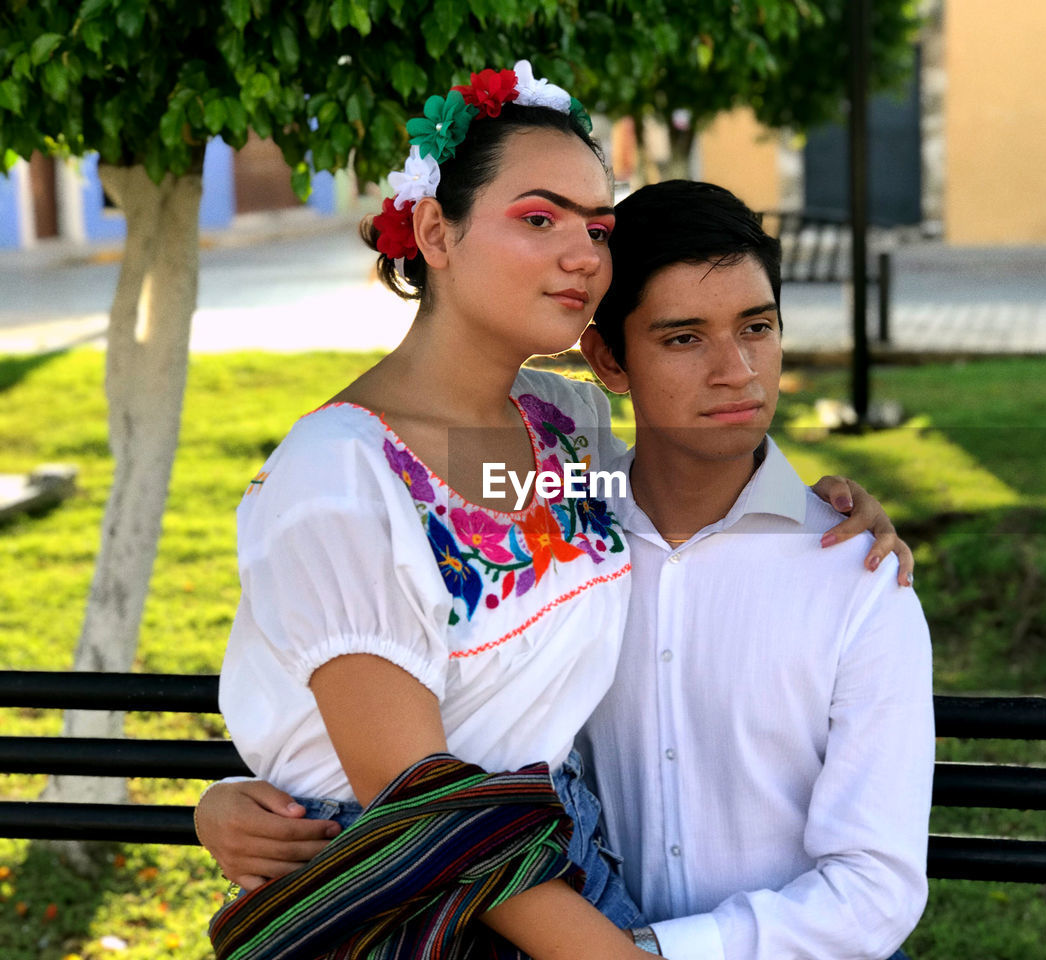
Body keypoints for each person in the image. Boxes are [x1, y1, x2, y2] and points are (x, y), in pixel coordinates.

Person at [199, 62, 910, 960]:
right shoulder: (341, 476)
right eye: (539, 219)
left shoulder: (562, 429)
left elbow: (665, 498)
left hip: (560, 862)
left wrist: (820, 506)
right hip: (439, 892)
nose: (583, 256)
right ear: (434, 231)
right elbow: (413, 789)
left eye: (597, 227)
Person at [574, 180, 934, 960]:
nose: (737, 371)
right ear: (609, 357)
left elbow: (875, 890)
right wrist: (237, 801)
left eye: (756, 328)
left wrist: (652, 953)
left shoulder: (860, 579)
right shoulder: (557, 532)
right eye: (683, 338)